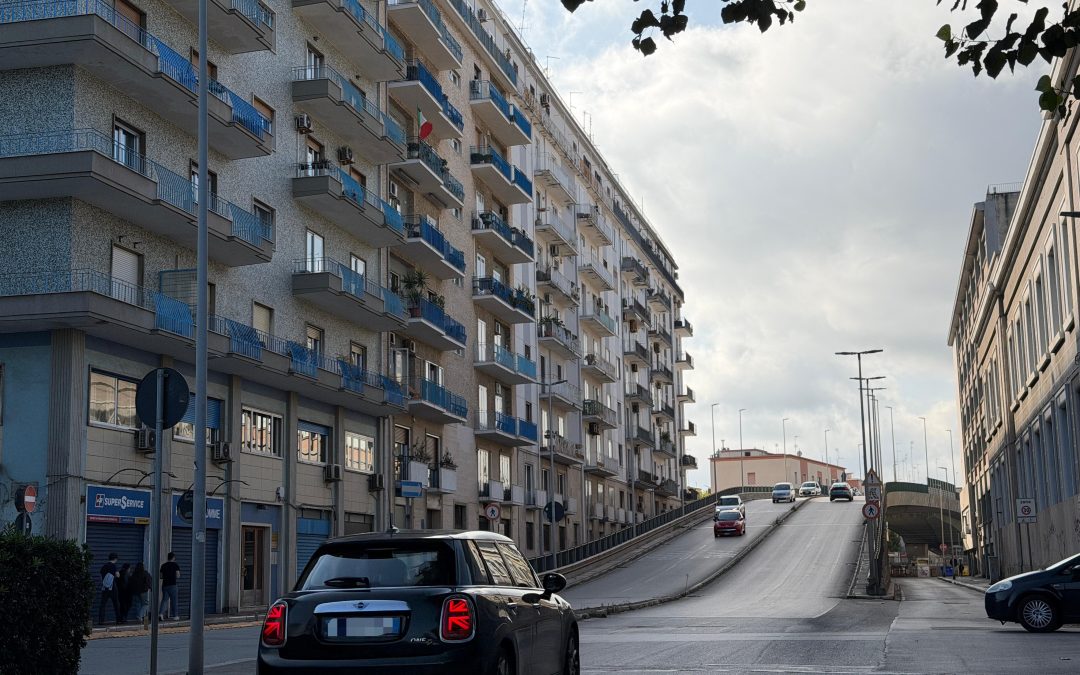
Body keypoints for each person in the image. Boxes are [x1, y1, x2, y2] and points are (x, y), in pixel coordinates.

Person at [98, 552, 121, 625]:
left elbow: (101, 576)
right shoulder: (114, 566)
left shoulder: (104, 566)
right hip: (113, 588)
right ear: (115, 559)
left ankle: (101, 621)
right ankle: (118, 620)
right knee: (116, 604)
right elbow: (117, 575)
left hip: (105, 588)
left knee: (103, 604)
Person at [159, 552, 181, 621]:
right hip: (173, 585)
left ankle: (160, 614)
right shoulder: (175, 565)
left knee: (164, 600)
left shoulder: (163, 565)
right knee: (174, 601)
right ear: (173, 558)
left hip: (165, 585)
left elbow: (161, 576)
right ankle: (175, 616)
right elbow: (178, 575)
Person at [131, 562, 152, 629]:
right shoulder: (145, 573)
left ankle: (139, 618)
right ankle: (141, 617)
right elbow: (149, 581)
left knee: (138, 604)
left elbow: (132, 582)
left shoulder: (134, 574)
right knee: (145, 604)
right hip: (143, 591)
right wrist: (150, 587)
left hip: (135, 592)